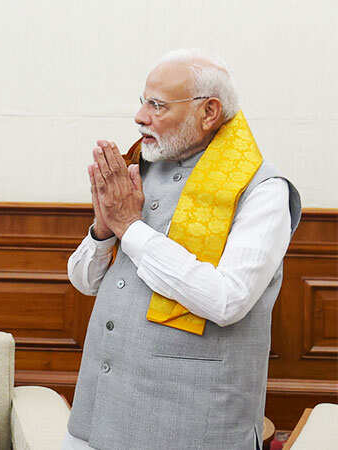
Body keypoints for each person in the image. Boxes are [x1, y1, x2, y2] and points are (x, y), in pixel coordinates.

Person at [63, 49, 301, 450]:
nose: (140, 116)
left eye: (157, 105)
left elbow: (227, 300)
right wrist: (104, 229)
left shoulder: (262, 191)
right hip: (98, 413)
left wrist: (130, 228)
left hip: (191, 425)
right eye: (143, 101)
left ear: (209, 112)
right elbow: (85, 282)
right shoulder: (139, 167)